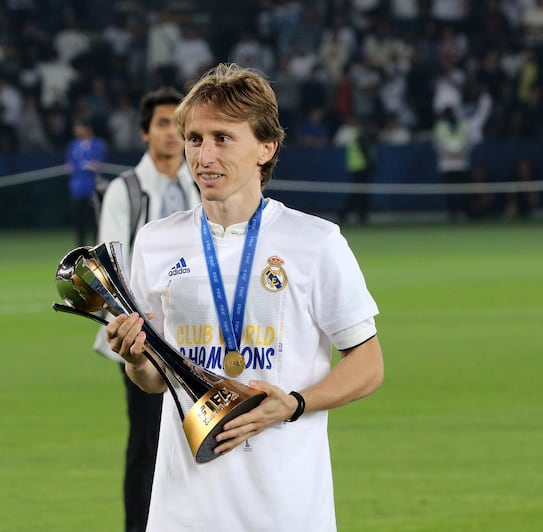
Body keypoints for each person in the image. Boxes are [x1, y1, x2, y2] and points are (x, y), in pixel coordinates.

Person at [104, 63, 384, 532]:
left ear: (266, 147)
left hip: (285, 509)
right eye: (194, 138)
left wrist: (295, 403)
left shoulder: (315, 242)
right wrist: (134, 358)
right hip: (184, 511)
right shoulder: (156, 243)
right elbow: (155, 378)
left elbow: (369, 363)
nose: (203, 155)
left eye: (222, 138)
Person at [93, 86, 201, 532]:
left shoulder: (201, 182)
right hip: (142, 339)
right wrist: (137, 337)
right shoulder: (127, 190)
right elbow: (110, 267)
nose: (172, 134)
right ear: (144, 132)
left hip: (198, 338)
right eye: (162, 123)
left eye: (178, 124)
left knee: (195, 439)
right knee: (147, 443)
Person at [65, 118, 106, 246]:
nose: (75, 131)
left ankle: (97, 247)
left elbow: (100, 163)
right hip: (78, 188)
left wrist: (94, 166)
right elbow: (69, 165)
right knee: (79, 221)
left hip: (93, 188)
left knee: (95, 220)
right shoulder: (73, 145)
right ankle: (80, 248)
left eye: (78, 127)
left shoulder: (98, 144)